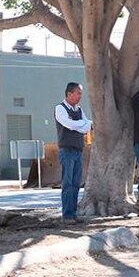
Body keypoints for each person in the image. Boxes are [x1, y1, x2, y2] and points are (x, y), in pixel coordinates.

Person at [55, 82, 92, 224]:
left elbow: (86, 127)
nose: (80, 96)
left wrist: (82, 125)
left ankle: (73, 214)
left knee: (76, 183)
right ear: (69, 94)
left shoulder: (79, 110)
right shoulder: (60, 108)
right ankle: (67, 215)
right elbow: (69, 124)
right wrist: (82, 124)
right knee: (67, 183)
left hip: (78, 150)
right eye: (78, 93)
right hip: (67, 150)